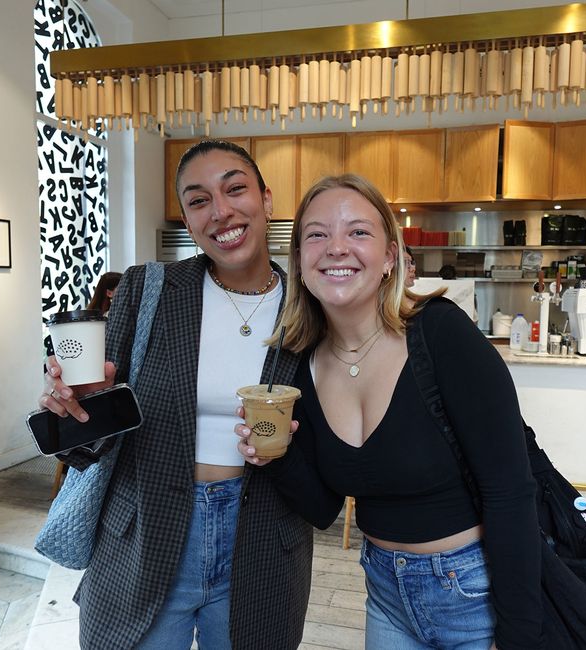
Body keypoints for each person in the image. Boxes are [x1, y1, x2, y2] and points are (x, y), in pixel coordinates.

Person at [237, 174, 544, 649]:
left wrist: (522, 636)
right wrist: (275, 457)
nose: (336, 247)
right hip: (384, 593)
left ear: (389, 257)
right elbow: (324, 508)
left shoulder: (441, 335)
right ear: (298, 260)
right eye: (316, 234)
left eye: (358, 232)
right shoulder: (302, 364)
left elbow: (511, 492)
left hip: (475, 592)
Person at [39, 139, 312, 650]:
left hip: (262, 539)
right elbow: (88, 443)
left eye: (235, 189)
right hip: (146, 534)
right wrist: (74, 407)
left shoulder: (308, 305)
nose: (221, 211)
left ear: (267, 198)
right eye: (199, 200)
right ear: (187, 220)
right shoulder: (148, 290)